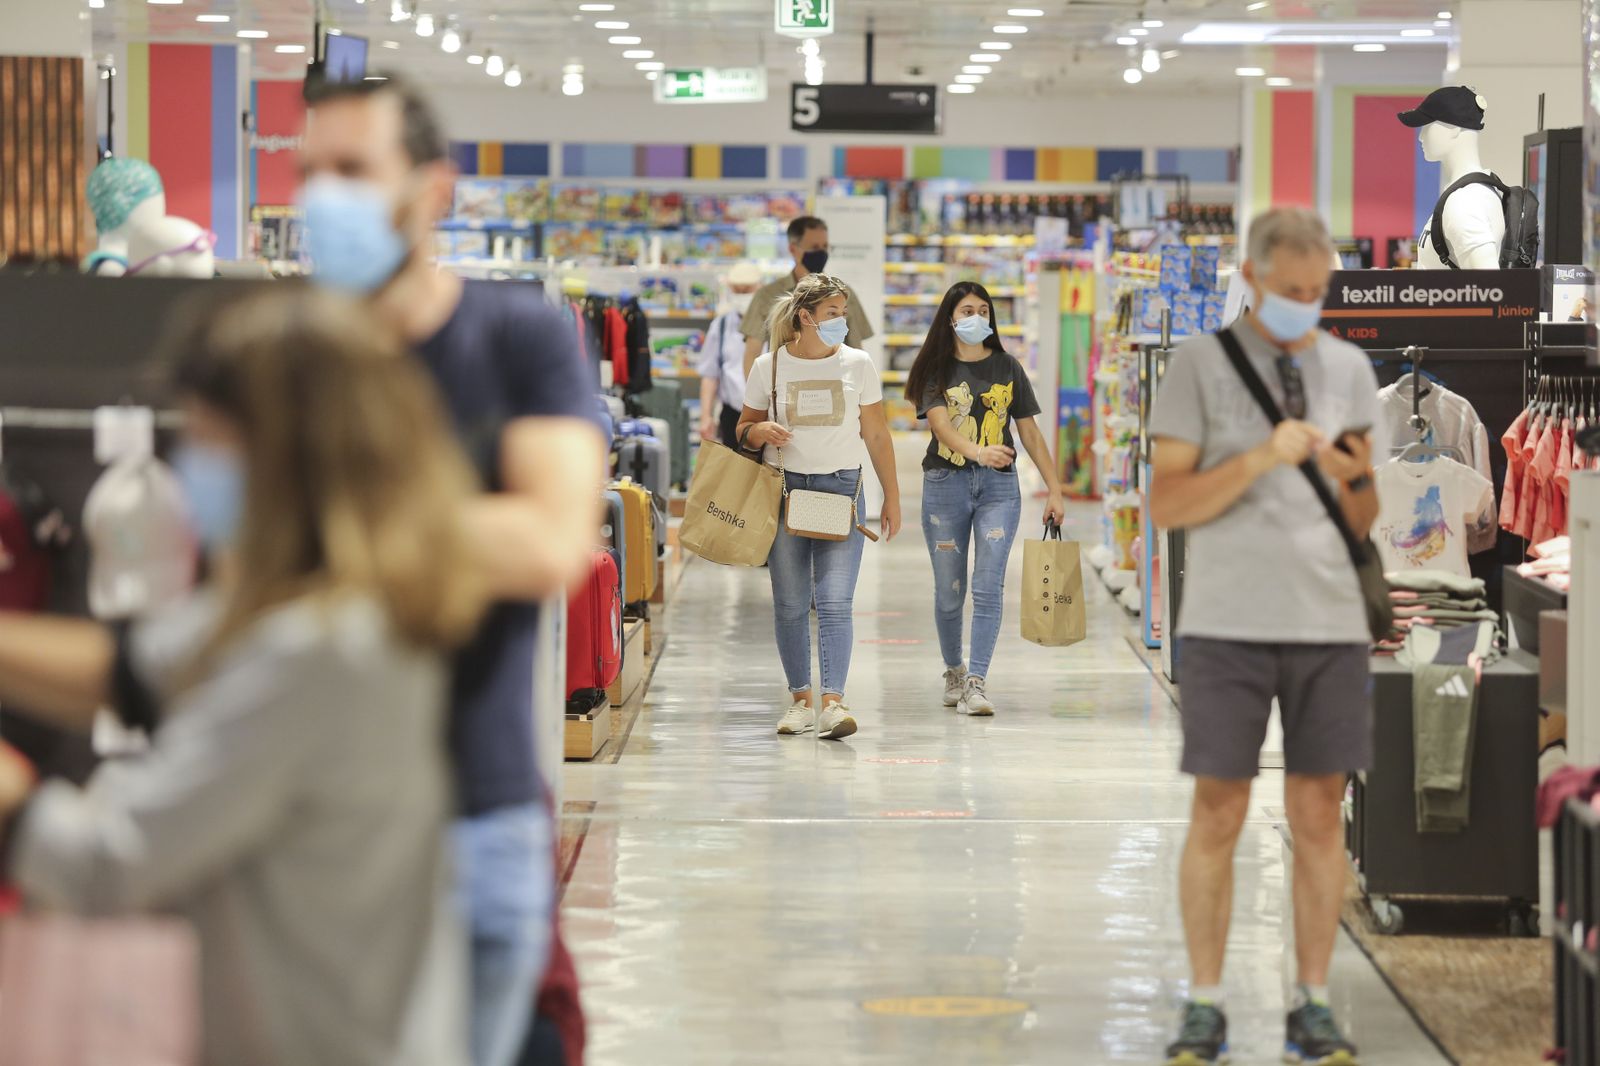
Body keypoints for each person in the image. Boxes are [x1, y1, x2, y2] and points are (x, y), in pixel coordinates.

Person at [0, 288, 485, 1066]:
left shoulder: (319, 650)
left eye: (205, 437)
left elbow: (110, 866)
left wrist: (14, 801)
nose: (191, 462)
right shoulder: (321, 605)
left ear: (281, 453)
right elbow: (133, 670)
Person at [300, 76, 606, 1066]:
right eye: (309, 172)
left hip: (475, 815)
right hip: (306, 820)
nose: (322, 197)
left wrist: (325, 525)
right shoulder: (282, 356)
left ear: (433, 190)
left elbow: (551, 544)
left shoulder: (514, 336)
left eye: (351, 170)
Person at [1147, 206, 1383, 1066]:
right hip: (1225, 624)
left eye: (1319, 293)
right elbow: (1168, 503)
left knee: (1321, 814)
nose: (1306, 307)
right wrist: (1258, 458)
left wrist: (1350, 477)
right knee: (1219, 810)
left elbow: (1364, 518)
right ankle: (1205, 1003)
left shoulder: (1351, 369)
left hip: (1328, 624)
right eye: (1291, 292)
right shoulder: (1198, 366)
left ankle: (1313, 1002)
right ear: (1251, 279)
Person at [737, 274, 902, 740]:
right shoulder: (768, 367)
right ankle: (799, 701)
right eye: (833, 314)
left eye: (843, 313)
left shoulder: (859, 364)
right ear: (805, 317)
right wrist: (759, 432)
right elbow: (742, 428)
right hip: (784, 492)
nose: (841, 323)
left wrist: (892, 494)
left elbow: (876, 434)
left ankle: (833, 702)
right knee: (789, 604)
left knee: (834, 602)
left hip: (841, 490)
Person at [904, 282, 1067, 717]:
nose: (976, 317)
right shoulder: (934, 370)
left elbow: (1029, 431)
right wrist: (978, 451)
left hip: (999, 488)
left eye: (983, 310)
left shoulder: (1007, 367)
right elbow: (941, 428)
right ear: (951, 319)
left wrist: (1054, 487)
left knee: (988, 584)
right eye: (966, 310)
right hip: (945, 484)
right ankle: (954, 669)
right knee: (948, 591)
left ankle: (977, 680)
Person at [742, 216, 875, 378]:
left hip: (833, 387)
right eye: (814, 247)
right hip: (785, 388)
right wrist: (760, 397)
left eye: (825, 246)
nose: (821, 252)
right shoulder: (767, 296)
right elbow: (752, 353)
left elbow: (856, 349)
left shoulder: (844, 294)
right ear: (793, 249)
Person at [698, 261, 764, 450]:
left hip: (768, 416)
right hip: (732, 415)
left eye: (747, 290)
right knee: (735, 474)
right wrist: (705, 416)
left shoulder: (775, 323)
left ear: (760, 288)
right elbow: (710, 375)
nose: (742, 295)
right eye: (738, 291)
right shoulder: (720, 326)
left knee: (768, 475)